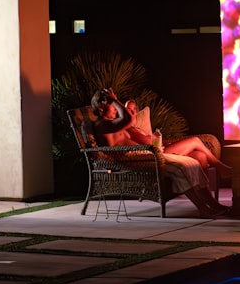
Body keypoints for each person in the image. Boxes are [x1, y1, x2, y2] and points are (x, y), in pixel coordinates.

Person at [90, 88, 228, 218]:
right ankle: (202, 208)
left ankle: (211, 204)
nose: (115, 107)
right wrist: (114, 99)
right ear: (101, 107)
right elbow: (129, 119)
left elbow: (129, 122)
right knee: (182, 167)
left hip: (144, 155)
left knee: (193, 162)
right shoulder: (102, 124)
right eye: (112, 104)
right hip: (134, 159)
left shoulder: (112, 124)